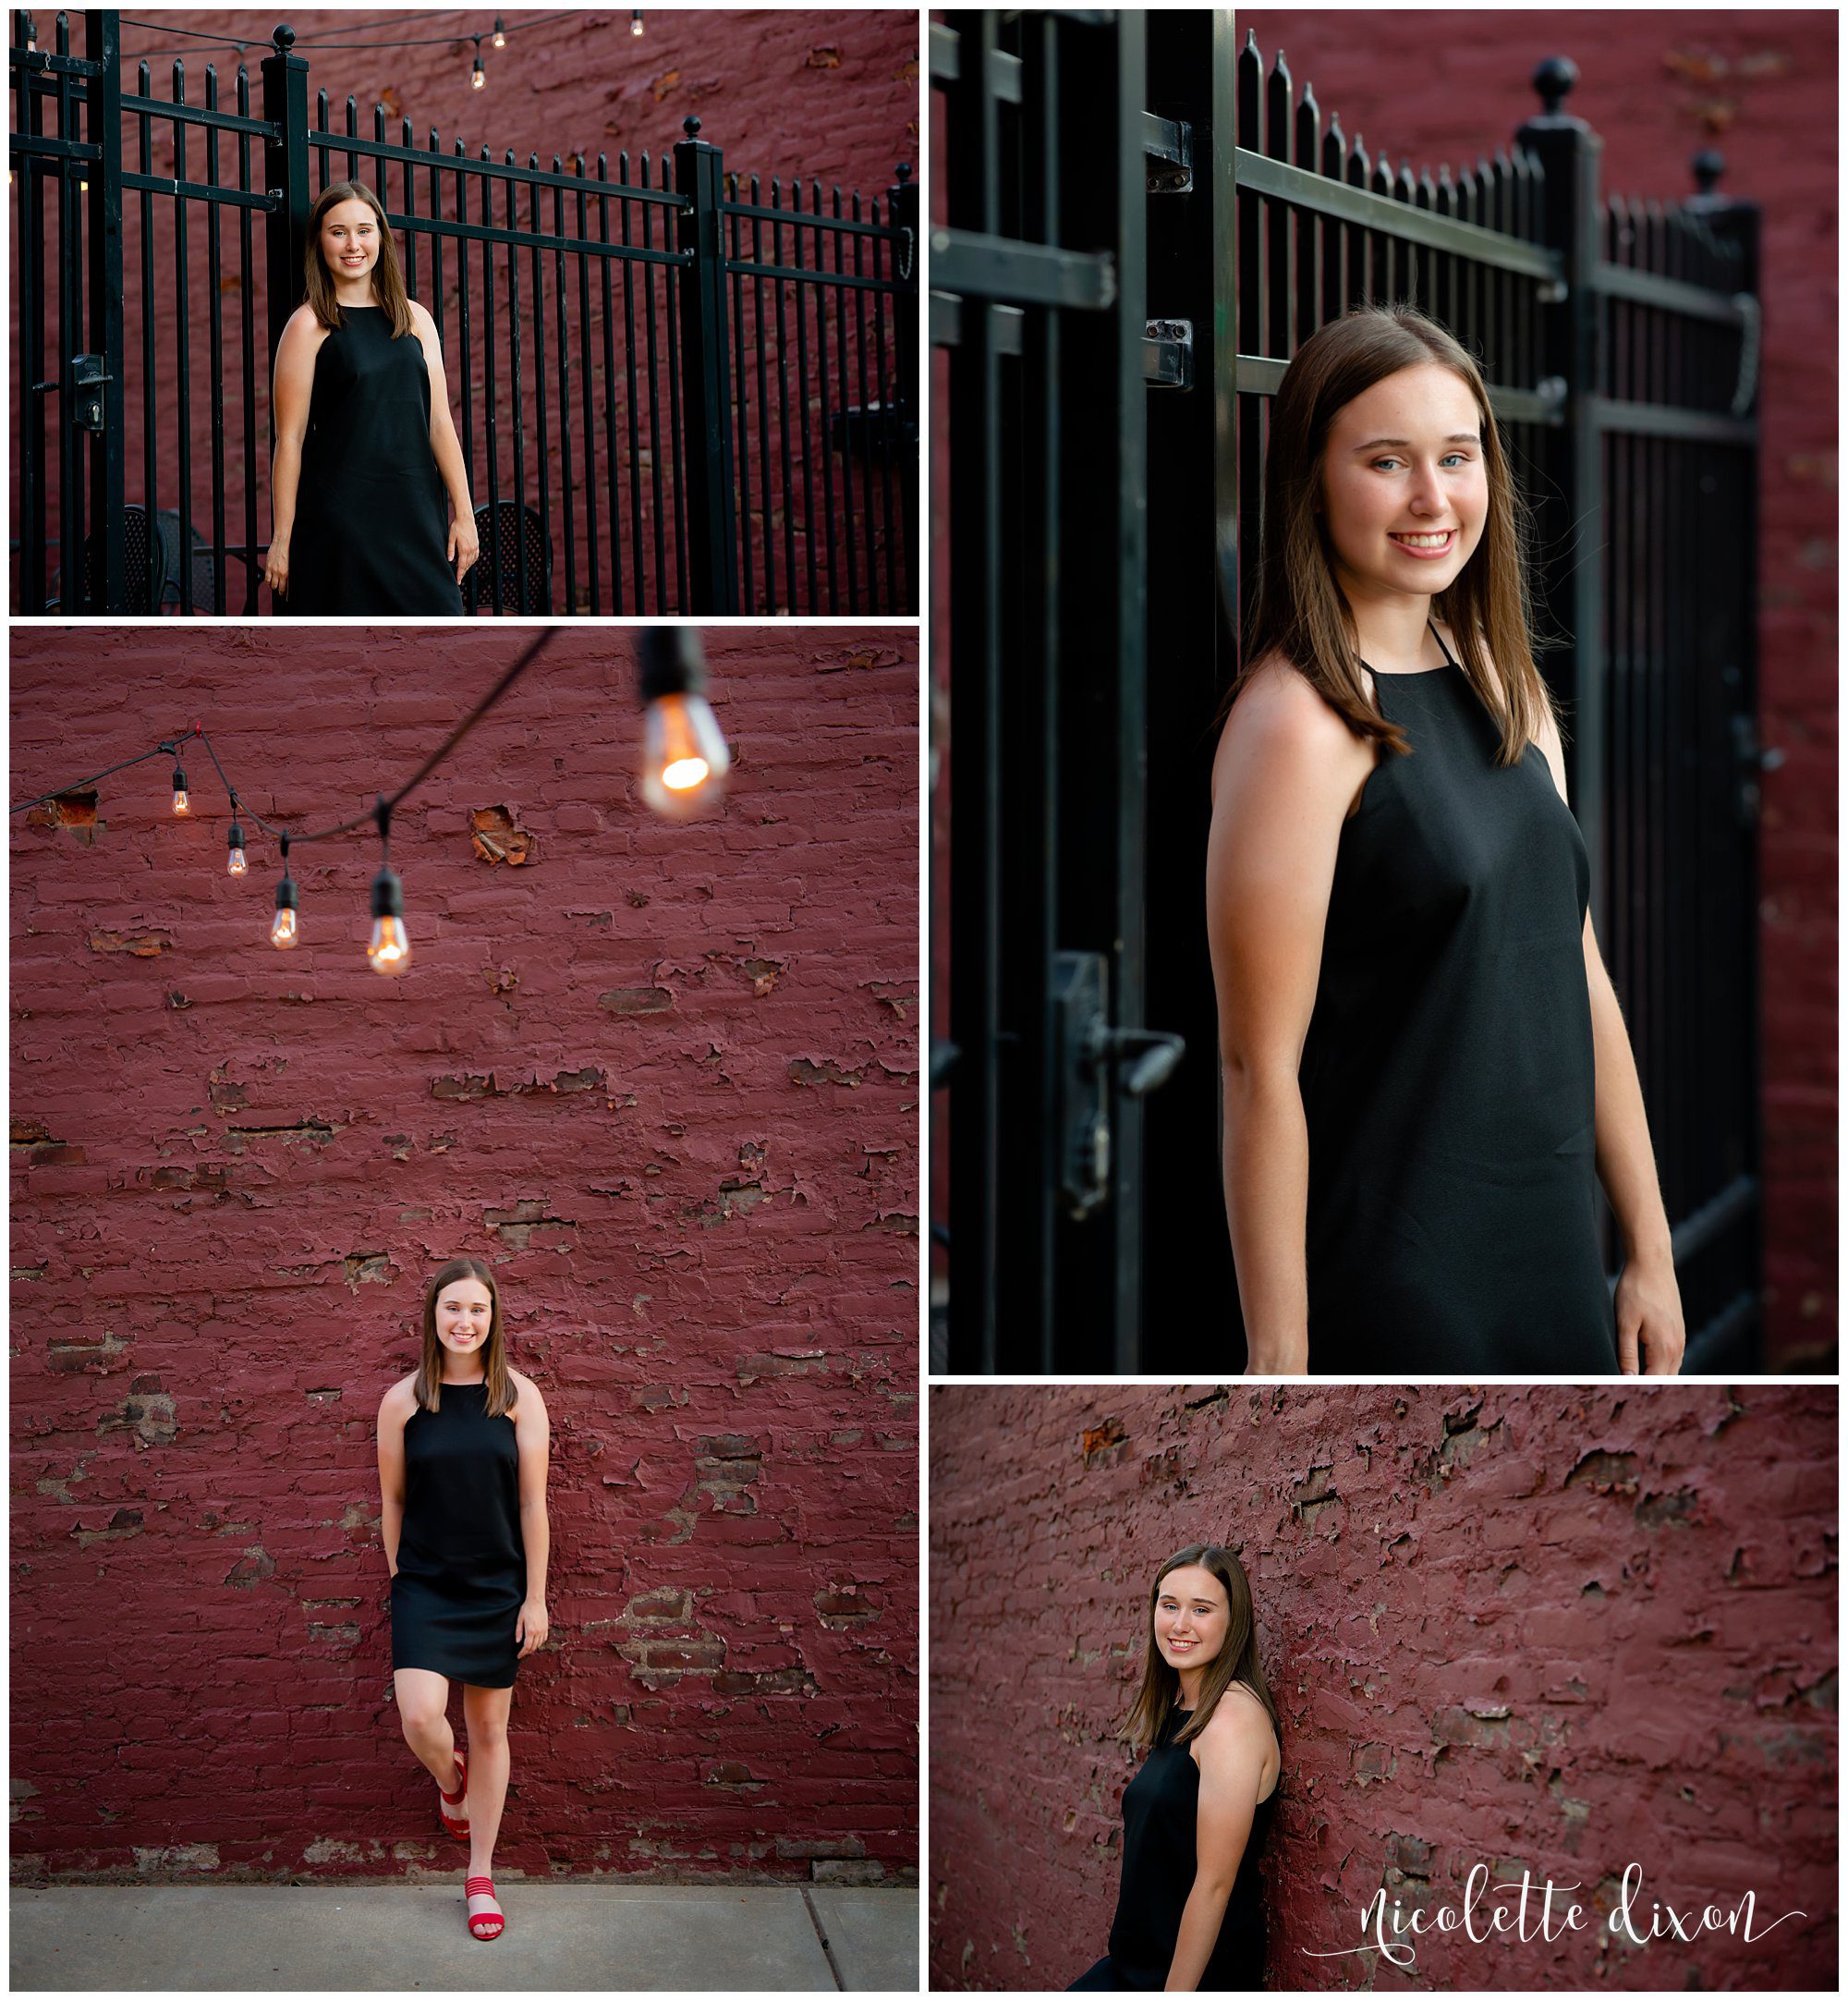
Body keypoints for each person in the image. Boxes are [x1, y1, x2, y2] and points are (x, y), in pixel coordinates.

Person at [1208, 303, 1685, 1377]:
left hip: (1553, 1243)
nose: (1432, 499)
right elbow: (1255, 1069)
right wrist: (1275, 1361)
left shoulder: (1498, 675)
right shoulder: (1297, 724)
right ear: (1313, 480)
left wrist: (1646, 1248)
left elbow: (1578, 969)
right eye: (1386, 460)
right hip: (1403, 1267)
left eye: (1455, 457)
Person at [378, 1257, 550, 1942]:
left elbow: (533, 1503)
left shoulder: (516, 1396)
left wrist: (534, 1598)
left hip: (496, 1586)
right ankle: (452, 1785)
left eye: (477, 1309)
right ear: (433, 1315)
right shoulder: (404, 1401)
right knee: (422, 1718)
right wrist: (401, 1578)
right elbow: (392, 1499)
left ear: (492, 1318)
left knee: (489, 1732)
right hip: (424, 1583)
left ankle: (480, 1872)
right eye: (453, 1307)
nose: (464, 1321)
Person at [1070, 1544, 1282, 1992]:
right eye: (1170, 1606)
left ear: (1233, 1620)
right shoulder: (1183, 1708)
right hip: (1134, 1964)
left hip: (1192, 1978)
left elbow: (1215, 1884)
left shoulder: (1232, 1721)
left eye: (1201, 1609)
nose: (1180, 1625)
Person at [267, 180, 478, 613]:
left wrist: (465, 513)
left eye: (364, 230)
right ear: (320, 242)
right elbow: (289, 440)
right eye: (338, 231)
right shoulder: (308, 325)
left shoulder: (415, 318)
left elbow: (440, 422)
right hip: (342, 523)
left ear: (380, 235)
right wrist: (282, 539)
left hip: (416, 517)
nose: (353, 245)